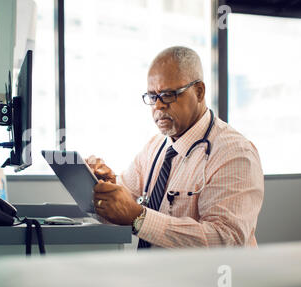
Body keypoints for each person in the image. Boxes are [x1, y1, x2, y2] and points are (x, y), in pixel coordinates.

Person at [86, 46, 264, 248]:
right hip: (159, 276)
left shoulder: (234, 153)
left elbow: (226, 239)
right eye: (153, 96)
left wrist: (140, 219)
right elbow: (122, 206)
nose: (158, 106)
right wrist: (106, 189)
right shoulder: (155, 147)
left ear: (199, 91)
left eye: (169, 94)